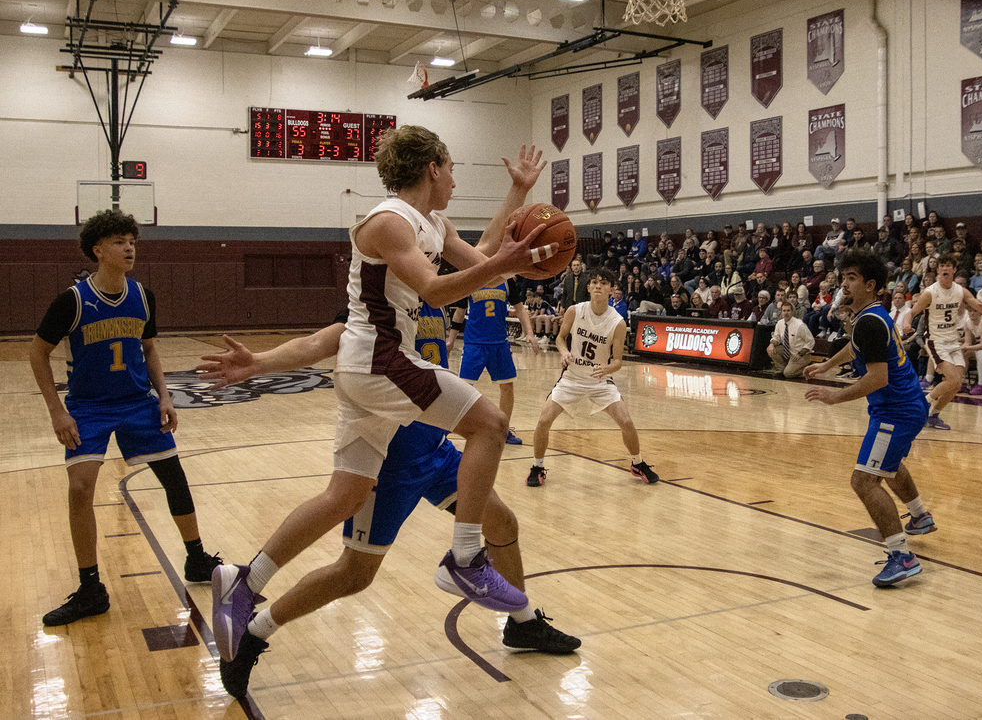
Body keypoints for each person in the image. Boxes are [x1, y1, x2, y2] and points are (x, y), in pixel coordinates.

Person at [209, 133, 557, 668]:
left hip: (369, 372)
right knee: (489, 423)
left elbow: (484, 260)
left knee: (343, 496)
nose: (457, 180)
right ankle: (466, 556)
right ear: (433, 168)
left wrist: (515, 198)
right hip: (380, 362)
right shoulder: (388, 220)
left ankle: (245, 581)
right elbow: (441, 289)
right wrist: (500, 265)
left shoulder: (430, 226)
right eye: (453, 168)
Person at [202, 308, 581, 698]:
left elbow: (474, 255)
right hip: (387, 462)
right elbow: (320, 342)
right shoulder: (377, 300)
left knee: (502, 523)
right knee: (354, 574)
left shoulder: (432, 290)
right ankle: (255, 632)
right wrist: (258, 363)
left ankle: (521, 623)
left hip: (437, 448)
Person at [29, 210, 222, 627]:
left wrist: (165, 397)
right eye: (119, 241)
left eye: (132, 241)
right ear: (98, 250)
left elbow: (149, 349)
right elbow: (36, 352)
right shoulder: (73, 300)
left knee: (174, 477)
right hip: (89, 407)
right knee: (81, 489)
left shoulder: (142, 295)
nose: (129, 247)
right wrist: (57, 411)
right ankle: (90, 589)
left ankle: (196, 559)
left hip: (137, 402)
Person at [804, 249, 936, 587]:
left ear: (870, 284)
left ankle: (901, 555)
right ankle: (919, 515)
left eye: (852, 279)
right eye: (843, 277)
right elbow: (856, 347)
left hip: (897, 411)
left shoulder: (870, 322)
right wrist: (827, 365)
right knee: (886, 466)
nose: (844, 284)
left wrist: (835, 396)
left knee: (864, 480)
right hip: (904, 407)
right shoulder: (870, 316)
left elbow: (878, 378)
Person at [527, 267, 658, 488]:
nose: (598, 286)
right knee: (543, 420)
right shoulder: (575, 311)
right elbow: (560, 338)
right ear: (588, 287)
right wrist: (565, 352)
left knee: (626, 421)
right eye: (595, 282)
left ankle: (637, 462)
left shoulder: (617, 322)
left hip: (599, 381)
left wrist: (606, 370)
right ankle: (537, 466)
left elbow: (617, 361)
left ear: (611, 289)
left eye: (604, 283)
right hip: (572, 378)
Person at [903, 253, 982, 430]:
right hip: (936, 341)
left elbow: (974, 302)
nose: (944, 268)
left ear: (954, 269)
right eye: (941, 265)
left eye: (948, 265)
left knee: (956, 384)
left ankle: (933, 415)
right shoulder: (930, 292)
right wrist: (906, 322)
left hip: (952, 341)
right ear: (938, 269)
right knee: (951, 379)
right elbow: (912, 312)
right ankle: (923, 405)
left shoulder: (960, 290)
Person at [453, 277, 540, 446]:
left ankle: (504, 430)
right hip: (474, 343)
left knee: (507, 386)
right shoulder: (472, 278)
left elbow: (520, 309)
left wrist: (529, 332)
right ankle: (463, 427)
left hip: (499, 343)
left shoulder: (507, 281)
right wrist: (451, 340)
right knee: (464, 389)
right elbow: (460, 311)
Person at [766, 301, 814, 378]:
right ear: (781, 312)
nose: (786, 313)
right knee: (772, 349)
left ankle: (808, 369)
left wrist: (800, 354)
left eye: (788, 310)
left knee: (788, 374)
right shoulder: (779, 323)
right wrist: (771, 344)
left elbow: (811, 341)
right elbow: (776, 338)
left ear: (792, 312)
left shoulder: (799, 325)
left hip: (802, 354)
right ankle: (782, 369)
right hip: (789, 352)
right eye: (784, 311)